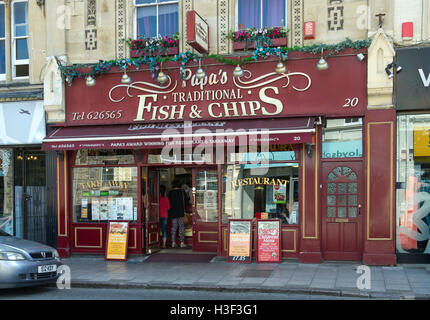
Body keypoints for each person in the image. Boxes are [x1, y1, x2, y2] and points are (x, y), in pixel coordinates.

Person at [168, 178, 189, 248]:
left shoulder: (170, 193)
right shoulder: (182, 192)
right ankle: (182, 243)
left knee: (174, 228)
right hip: (181, 213)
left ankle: (173, 242)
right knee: (181, 228)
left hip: (173, 213)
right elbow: (186, 201)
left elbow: (168, 204)